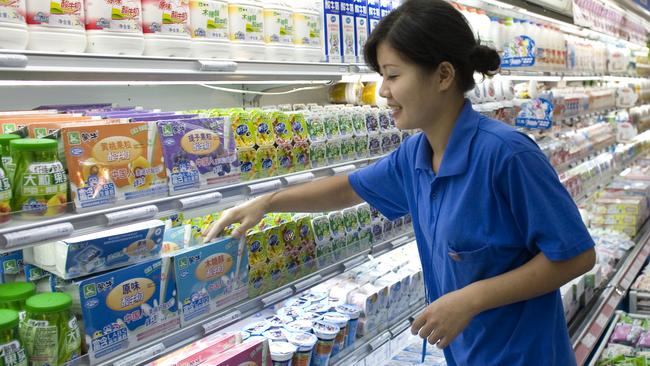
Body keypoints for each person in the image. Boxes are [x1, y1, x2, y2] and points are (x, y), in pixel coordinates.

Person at [203, 0, 596, 364]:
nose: (384, 92)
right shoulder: (417, 155)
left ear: (443, 75)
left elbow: (577, 255)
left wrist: (471, 299)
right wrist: (267, 201)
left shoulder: (506, 155)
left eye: (392, 75)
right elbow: (348, 188)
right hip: (465, 354)